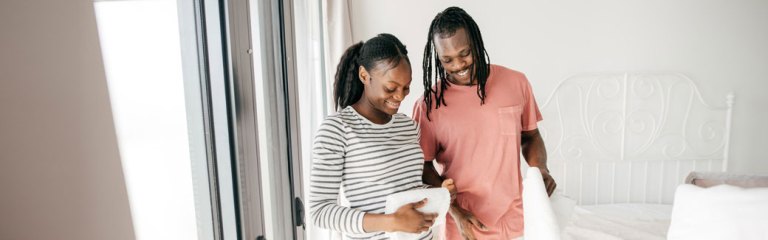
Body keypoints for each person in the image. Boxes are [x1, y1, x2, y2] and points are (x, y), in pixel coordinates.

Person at [413, 7, 557, 240]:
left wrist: (540, 169)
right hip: (464, 222)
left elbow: (530, 136)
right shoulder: (428, 105)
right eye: (447, 60)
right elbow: (423, 167)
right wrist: (456, 211)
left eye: (465, 53)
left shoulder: (516, 82)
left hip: (516, 216)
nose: (458, 65)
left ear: (477, 43)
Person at [309, 33, 454, 240]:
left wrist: (440, 192)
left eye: (406, 87)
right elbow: (320, 212)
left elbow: (406, 188)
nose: (400, 96)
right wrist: (392, 222)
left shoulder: (408, 126)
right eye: (390, 88)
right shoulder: (337, 129)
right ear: (364, 76)